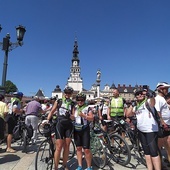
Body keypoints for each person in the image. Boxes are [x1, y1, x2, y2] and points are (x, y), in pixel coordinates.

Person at [125, 88, 161, 170]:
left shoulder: (147, 102)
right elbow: (128, 114)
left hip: (150, 130)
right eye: (137, 94)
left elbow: (153, 102)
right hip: (141, 130)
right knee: (146, 153)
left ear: (144, 94)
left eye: (141, 93)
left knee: (154, 152)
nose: (139, 95)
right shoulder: (137, 106)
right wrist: (131, 105)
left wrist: (151, 95)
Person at [43, 86, 75, 170]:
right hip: (60, 124)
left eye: (69, 93)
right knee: (59, 146)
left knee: (67, 145)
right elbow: (52, 111)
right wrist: (47, 120)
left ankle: (64, 165)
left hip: (68, 125)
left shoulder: (72, 103)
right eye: (66, 92)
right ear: (64, 93)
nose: (67, 94)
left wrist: (70, 116)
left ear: (71, 94)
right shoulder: (59, 101)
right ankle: (56, 167)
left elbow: (74, 117)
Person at [74, 93, 94, 170]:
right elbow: (73, 117)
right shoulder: (75, 108)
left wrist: (84, 116)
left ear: (84, 100)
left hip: (85, 129)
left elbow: (91, 118)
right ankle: (80, 166)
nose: (80, 101)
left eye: (82, 100)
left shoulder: (87, 108)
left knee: (86, 149)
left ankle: (89, 167)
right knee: (78, 148)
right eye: (78, 100)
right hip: (76, 130)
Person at [155, 82, 170, 166]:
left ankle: (168, 160)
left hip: (167, 124)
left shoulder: (163, 98)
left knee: (168, 143)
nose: (167, 90)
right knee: (159, 146)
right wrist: (163, 123)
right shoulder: (158, 99)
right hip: (163, 126)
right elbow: (157, 112)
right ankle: (159, 164)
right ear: (160, 89)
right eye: (166, 89)